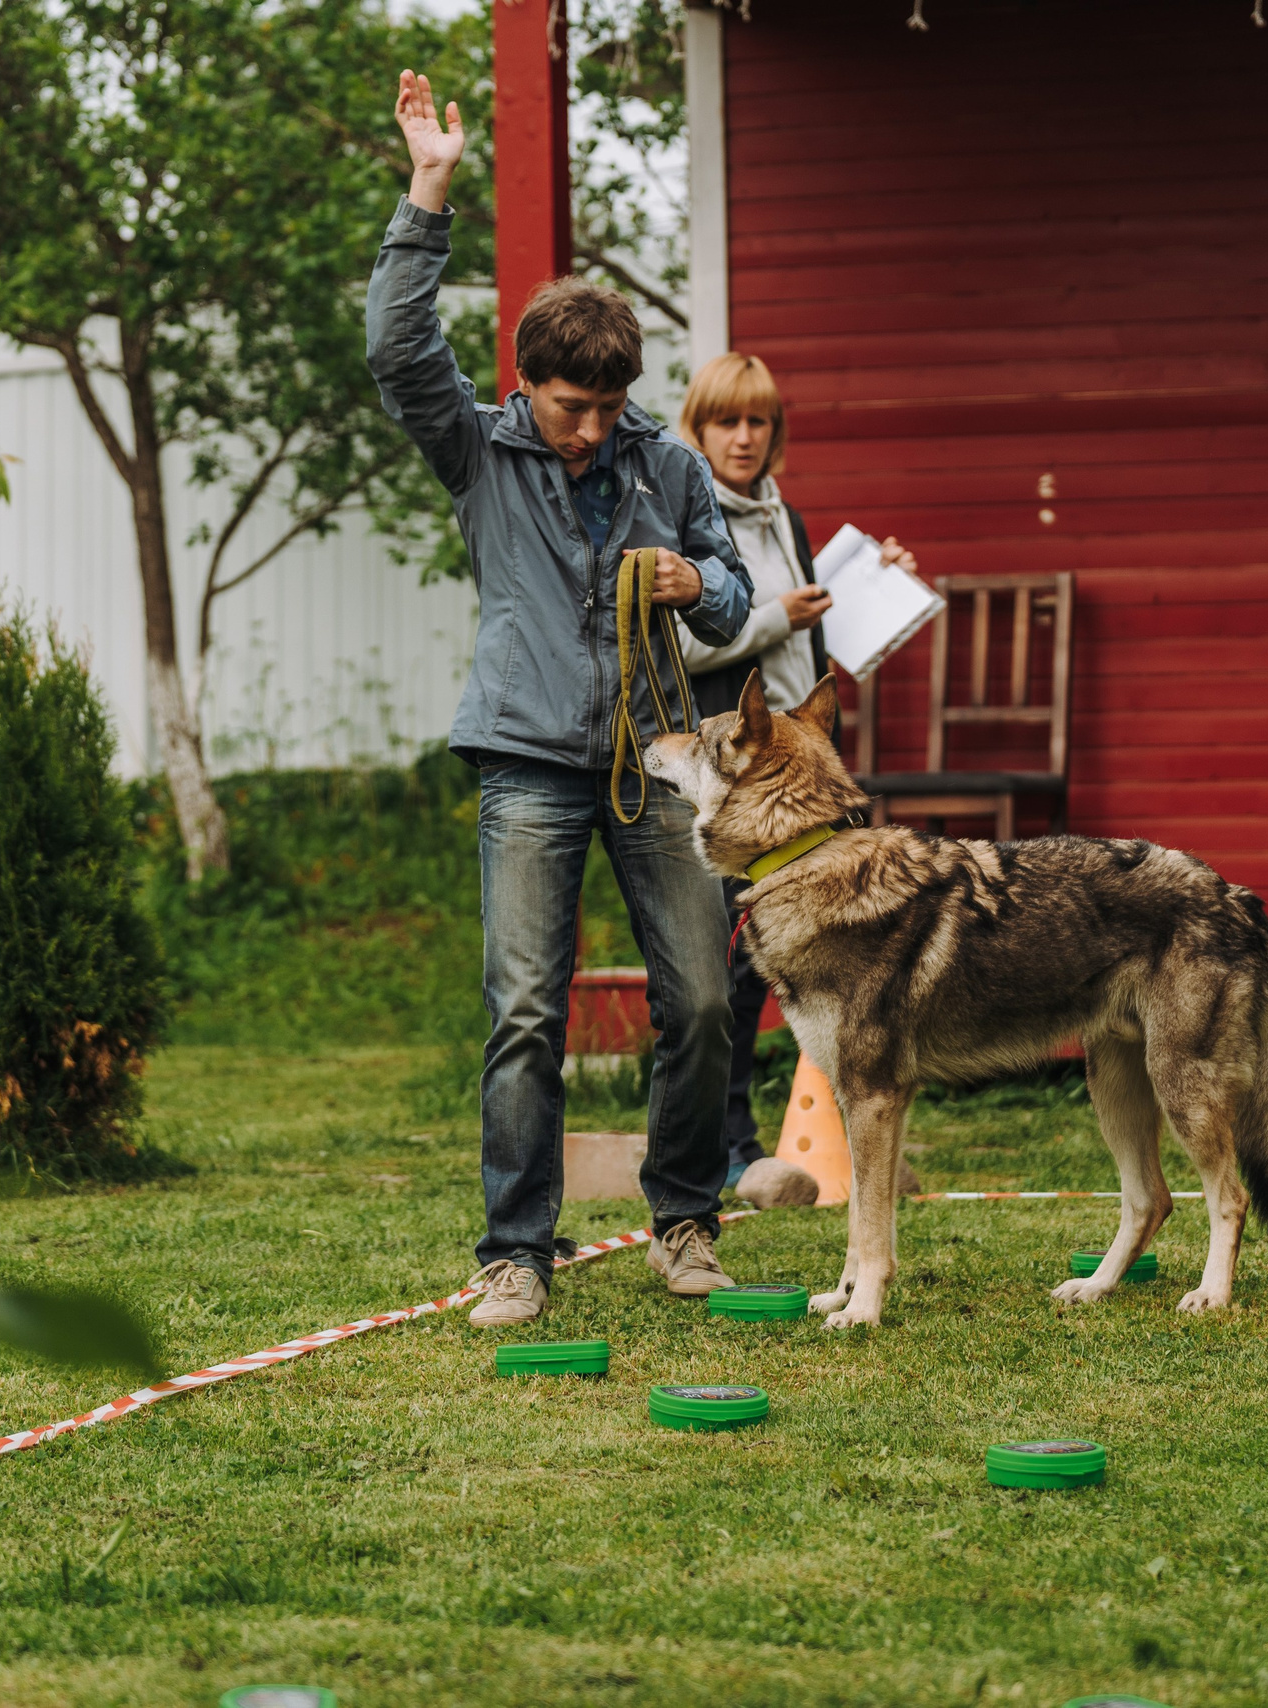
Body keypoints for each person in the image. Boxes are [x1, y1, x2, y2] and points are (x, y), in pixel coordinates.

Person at [367, 71, 754, 1326]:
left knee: (698, 996)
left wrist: (698, 576)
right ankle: (514, 1253)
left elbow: (735, 600)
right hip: (526, 760)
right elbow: (393, 345)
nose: (589, 430)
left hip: (659, 764)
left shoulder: (670, 464)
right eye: (568, 407)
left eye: (606, 407)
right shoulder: (478, 447)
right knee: (527, 1009)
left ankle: (685, 1221)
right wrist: (429, 191)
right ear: (526, 383)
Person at [671, 352, 919, 1184]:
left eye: (759, 422)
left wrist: (876, 588)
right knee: (728, 965)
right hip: (734, 778)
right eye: (726, 422)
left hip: (798, 771)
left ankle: (802, 1136)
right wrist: (779, 614)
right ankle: (725, 1147)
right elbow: (686, 640)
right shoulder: (686, 516)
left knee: (796, 960)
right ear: (698, 428)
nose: (744, 438)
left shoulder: (787, 516)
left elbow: (808, 646)